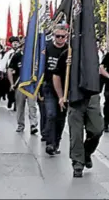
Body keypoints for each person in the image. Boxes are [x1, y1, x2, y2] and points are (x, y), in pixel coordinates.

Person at [54, 48, 103, 178]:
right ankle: (78, 163)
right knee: (76, 133)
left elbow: (100, 72)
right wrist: (61, 96)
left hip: (92, 95)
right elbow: (56, 75)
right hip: (74, 96)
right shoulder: (67, 54)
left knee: (97, 129)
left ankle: (86, 152)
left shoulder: (94, 53)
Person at [43, 24, 69, 155]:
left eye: (62, 36)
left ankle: (56, 142)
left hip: (65, 89)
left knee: (60, 117)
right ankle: (50, 143)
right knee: (51, 114)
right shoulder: (46, 48)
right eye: (57, 36)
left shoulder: (70, 50)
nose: (60, 39)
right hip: (49, 86)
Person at [8, 37, 38, 134]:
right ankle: (20, 125)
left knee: (32, 106)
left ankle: (33, 125)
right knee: (20, 106)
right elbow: (9, 69)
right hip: (19, 85)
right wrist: (12, 83)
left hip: (31, 85)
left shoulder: (34, 56)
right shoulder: (17, 56)